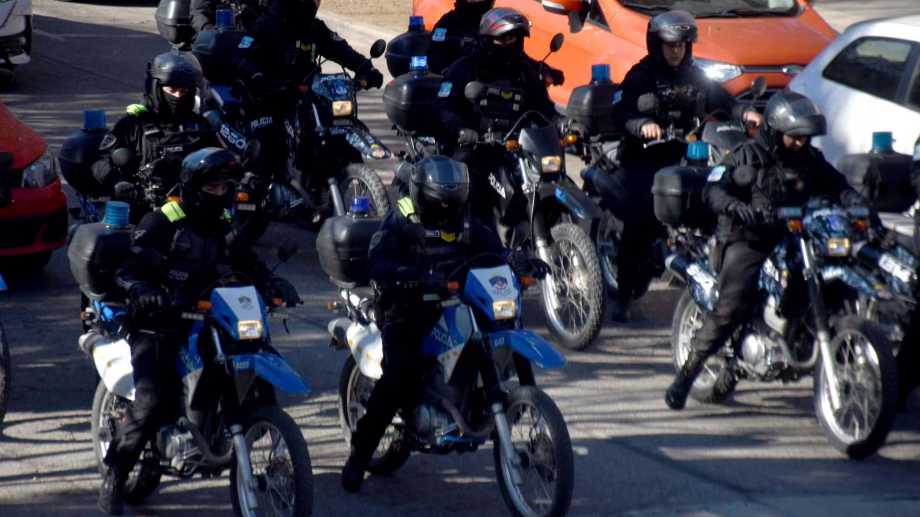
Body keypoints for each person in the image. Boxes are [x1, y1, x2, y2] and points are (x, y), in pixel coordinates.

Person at [97, 148, 300, 515]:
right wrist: (144, 291)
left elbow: (248, 263)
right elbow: (127, 270)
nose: (220, 194)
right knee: (151, 401)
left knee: (252, 361)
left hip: (208, 320)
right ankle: (115, 474)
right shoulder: (163, 222)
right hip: (160, 322)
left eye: (225, 187)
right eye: (213, 187)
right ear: (193, 188)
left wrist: (274, 284)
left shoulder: (223, 224)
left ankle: (229, 434)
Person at [340, 155, 546, 493]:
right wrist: (415, 275)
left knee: (502, 331)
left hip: (454, 300)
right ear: (423, 196)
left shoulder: (464, 220)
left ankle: (510, 421)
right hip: (406, 307)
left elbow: (493, 250)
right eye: (440, 203)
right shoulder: (401, 219)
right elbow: (378, 262)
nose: (446, 210)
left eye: (452, 202)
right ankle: (358, 457)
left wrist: (520, 261)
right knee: (399, 375)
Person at [664, 91, 865, 410]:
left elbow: (839, 187)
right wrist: (734, 206)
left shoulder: (810, 160)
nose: (800, 142)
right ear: (774, 129)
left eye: (805, 137)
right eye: (794, 136)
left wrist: (858, 206)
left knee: (837, 279)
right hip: (749, 238)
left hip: (794, 236)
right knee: (730, 306)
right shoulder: (747, 155)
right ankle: (686, 376)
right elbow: (714, 188)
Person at [608, 10, 763, 321]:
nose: (676, 51)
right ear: (656, 45)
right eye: (670, 45)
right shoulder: (641, 76)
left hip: (686, 155)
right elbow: (621, 111)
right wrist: (641, 125)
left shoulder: (695, 76)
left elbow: (724, 101)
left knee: (717, 200)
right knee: (639, 221)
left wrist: (745, 113)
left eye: (681, 45)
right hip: (644, 158)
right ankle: (624, 296)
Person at [437, 7, 558, 231]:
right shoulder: (464, 69)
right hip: (475, 146)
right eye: (504, 38)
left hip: (513, 147)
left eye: (515, 38)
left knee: (550, 174)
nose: (510, 43)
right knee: (460, 185)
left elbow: (544, 109)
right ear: (488, 39)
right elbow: (443, 108)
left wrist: (563, 123)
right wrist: (462, 130)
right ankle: (455, 236)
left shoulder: (524, 72)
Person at [90, 51, 216, 222]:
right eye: (171, 90)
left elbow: (217, 161)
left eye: (183, 91)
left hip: (193, 208)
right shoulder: (135, 123)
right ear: (156, 88)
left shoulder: (200, 125)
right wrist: (118, 182)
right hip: (145, 210)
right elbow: (100, 160)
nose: (178, 96)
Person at [427, 0, 563, 83]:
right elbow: (435, 55)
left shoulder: (494, 21)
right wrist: (450, 73)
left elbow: (517, 55)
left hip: (501, 85)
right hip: (463, 86)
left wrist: (544, 70)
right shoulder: (448, 22)